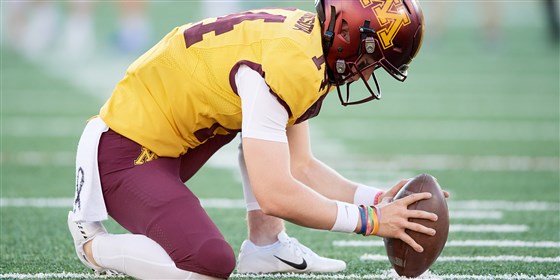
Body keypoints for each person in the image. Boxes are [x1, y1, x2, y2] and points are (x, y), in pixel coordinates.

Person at [67, 0, 443, 278]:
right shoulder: (290, 64)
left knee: (263, 135)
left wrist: (379, 200)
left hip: (166, 140)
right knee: (207, 264)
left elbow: (301, 166)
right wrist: (372, 221)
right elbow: (276, 193)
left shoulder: (306, 43)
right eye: (373, 61)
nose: (368, 74)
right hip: (125, 152)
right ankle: (93, 244)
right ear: (346, 35)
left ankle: (267, 246)